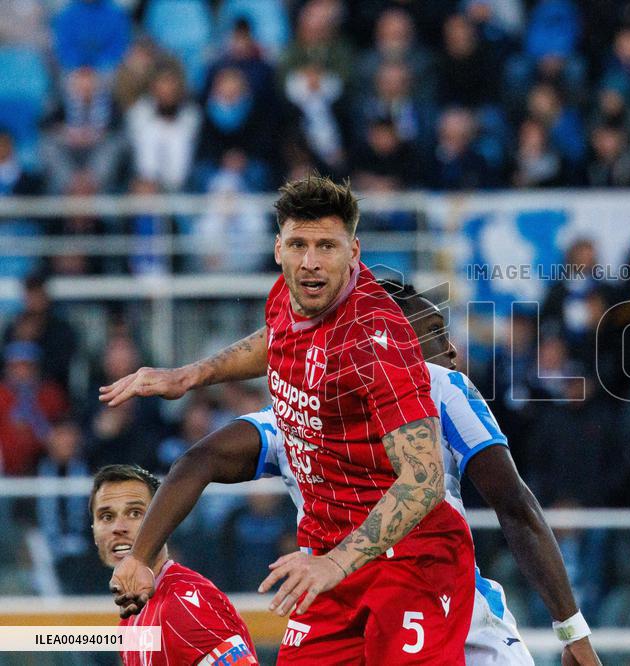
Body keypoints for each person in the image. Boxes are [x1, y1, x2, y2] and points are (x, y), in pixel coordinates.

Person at [101, 278, 601, 665]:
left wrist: (142, 557)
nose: (449, 353)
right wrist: (571, 630)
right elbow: (514, 505)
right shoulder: (435, 386)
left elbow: (199, 460)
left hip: (431, 605)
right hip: (362, 607)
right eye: (433, 335)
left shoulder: (306, 410)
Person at [101, 175, 475, 663]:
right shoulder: (289, 293)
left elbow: (424, 481)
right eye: (298, 244)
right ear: (278, 248)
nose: (311, 261)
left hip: (412, 559)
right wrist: (192, 375)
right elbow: (276, 338)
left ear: (354, 252)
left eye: (327, 246)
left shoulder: (377, 342)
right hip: (328, 559)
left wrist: (336, 563)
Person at [91, 464, 257, 665]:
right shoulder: (130, 618)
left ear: (161, 522)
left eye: (135, 513)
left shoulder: (183, 604)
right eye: (106, 517)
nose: (118, 528)